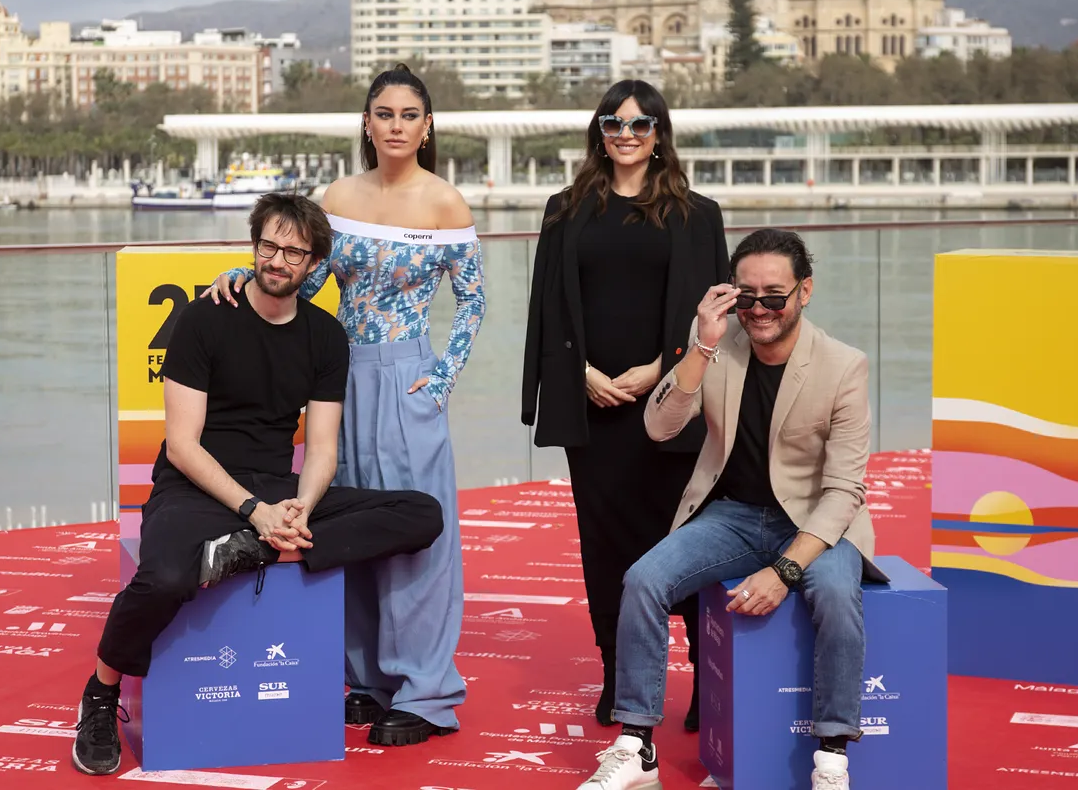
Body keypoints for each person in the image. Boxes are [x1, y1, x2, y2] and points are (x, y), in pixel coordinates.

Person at [72, 193, 446, 776]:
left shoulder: (325, 336)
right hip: (195, 487)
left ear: (313, 263)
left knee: (421, 512)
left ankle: (253, 549)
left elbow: (322, 449)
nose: (278, 260)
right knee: (166, 576)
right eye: (269, 246)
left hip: (276, 490)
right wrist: (252, 509)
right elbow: (182, 446)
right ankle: (101, 693)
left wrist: (300, 508)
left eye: (294, 252)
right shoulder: (203, 319)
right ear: (254, 246)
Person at [203, 63, 484, 747]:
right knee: (345, 520)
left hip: (409, 380)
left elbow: (472, 301)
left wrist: (441, 378)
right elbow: (310, 279)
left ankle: (425, 692)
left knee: (416, 533)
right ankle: (365, 679)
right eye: (384, 114)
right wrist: (248, 273)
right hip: (337, 379)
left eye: (409, 115)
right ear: (367, 122)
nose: (396, 126)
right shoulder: (339, 195)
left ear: (427, 126)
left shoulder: (445, 202)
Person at [577, 228, 886, 790]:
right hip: (734, 515)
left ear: (805, 291)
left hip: (814, 520)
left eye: (775, 296)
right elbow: (658, 426)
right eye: (747, 296)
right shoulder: (717, 348)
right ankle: (637, 747)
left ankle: (832, 758)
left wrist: (784, 570)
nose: (759, 309)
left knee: (837, 595)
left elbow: (844, 490)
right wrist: (701, 346)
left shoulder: (844, 365)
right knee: (643, 579)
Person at [520, 79, 728, 730]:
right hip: (594, 411)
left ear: (659, 134)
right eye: (614, 124)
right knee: (605, 548)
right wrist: (579, 373)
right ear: (599, 133)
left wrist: (662, 369)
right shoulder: (565, 210)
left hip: (673, 406)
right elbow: (547, 308)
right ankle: (618, 674)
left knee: (685, 543)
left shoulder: (698, 215)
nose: (627, 135)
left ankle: (705, 679)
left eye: (640, 125)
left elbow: (715, 315)